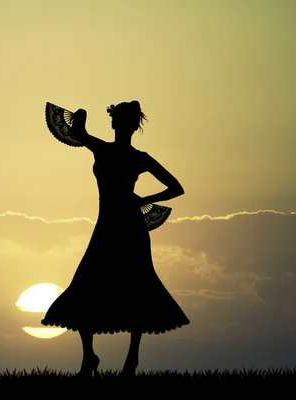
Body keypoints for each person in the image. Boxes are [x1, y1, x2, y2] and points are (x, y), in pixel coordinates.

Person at [41, 100, 190, 378]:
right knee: (99, 284)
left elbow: (176, 188)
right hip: (114, 225)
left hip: (123, 227)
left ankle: (119, 360)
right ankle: (97, 358)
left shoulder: (116, 152)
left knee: (126, 287)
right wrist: (144, 199)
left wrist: (145, 199)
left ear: (118, 123)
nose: (117, 124)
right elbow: (175, 188)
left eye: (119, 120)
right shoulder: (130, 155)